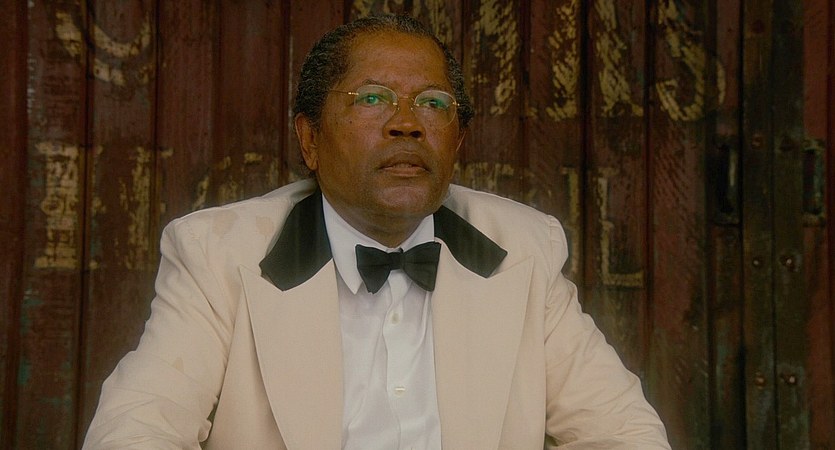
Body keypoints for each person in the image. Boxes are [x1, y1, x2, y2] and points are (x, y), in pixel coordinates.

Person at [84, 14, 670, 449]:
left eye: (433, 103)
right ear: (310, 139)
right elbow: (137, 429)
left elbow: (622, 433)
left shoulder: (523, 250)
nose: (406, 124)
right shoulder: (218, 254)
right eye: (372, 98)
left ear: (458, 142)